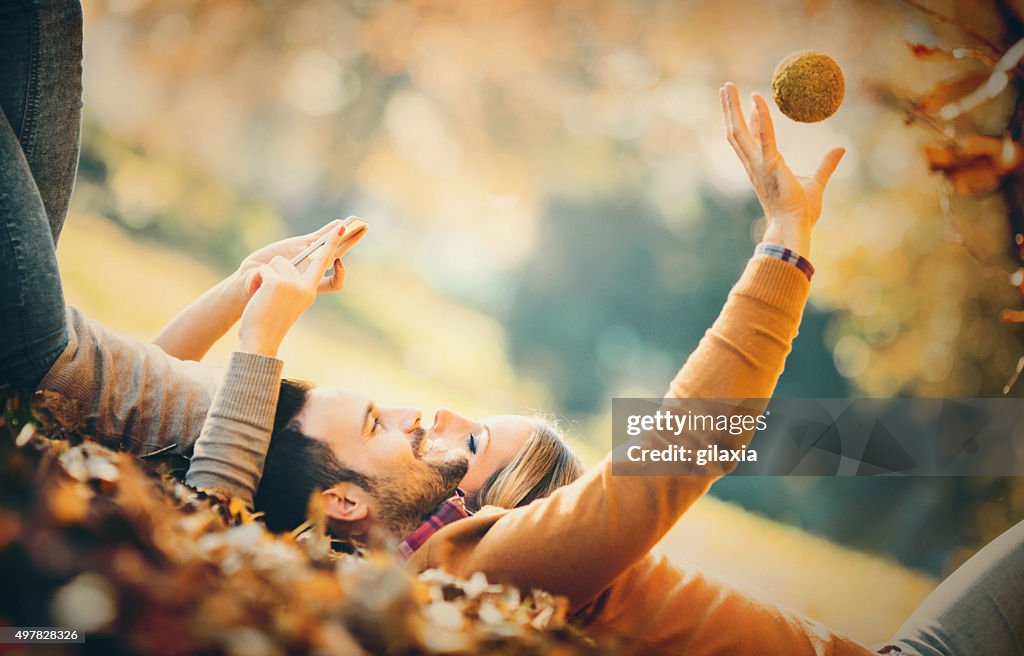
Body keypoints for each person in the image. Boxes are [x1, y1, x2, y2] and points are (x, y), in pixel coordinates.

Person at [191, 80, 1024, 656]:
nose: (426, 414)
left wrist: (245, 309)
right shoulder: (477, 564)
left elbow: (110, 386)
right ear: (342, 501)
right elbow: (674, 451)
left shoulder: (420, 556)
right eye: (383, 425)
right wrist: (785, 238)